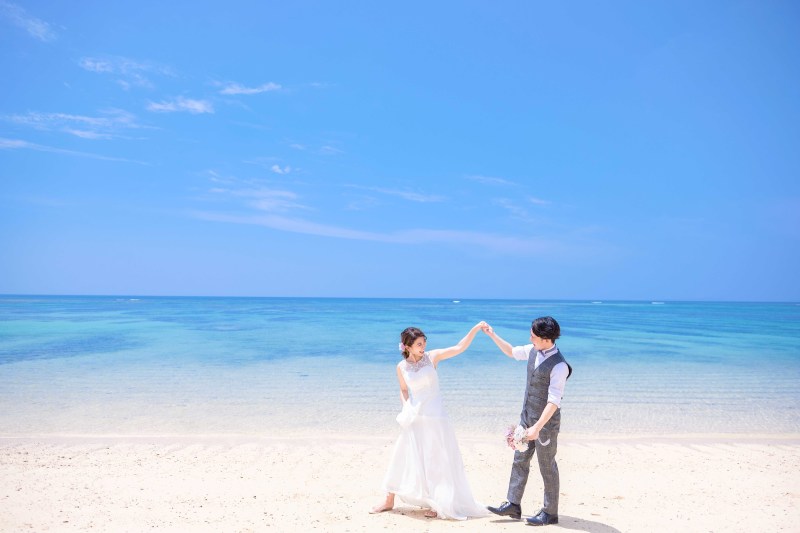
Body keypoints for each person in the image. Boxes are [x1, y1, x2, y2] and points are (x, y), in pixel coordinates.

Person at [370, 323, 490, 520]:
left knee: (436, 460)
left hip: (436, 417)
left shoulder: (432, 357)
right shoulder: (401, 367)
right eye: (419, 344)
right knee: (402, 455)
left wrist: (476, 329)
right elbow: (404, 390)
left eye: (424, 342)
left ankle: (438, 502)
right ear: (407, 346)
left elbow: (459, 347)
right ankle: (389, 499)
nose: (423, 346)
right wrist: (406, 407)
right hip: (415, 416)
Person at [483, 316, 572, 526]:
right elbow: (511, 351)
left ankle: (550, 512)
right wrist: (492, 335)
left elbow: (554, 402)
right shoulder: (533, 350)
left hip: (545, 425)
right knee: (520, 459)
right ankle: (513, 504)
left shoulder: (559, 366)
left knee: (547, 465)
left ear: (545, 338)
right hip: (526, 418)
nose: (530, 337)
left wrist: (537, 428)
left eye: (533, 335)